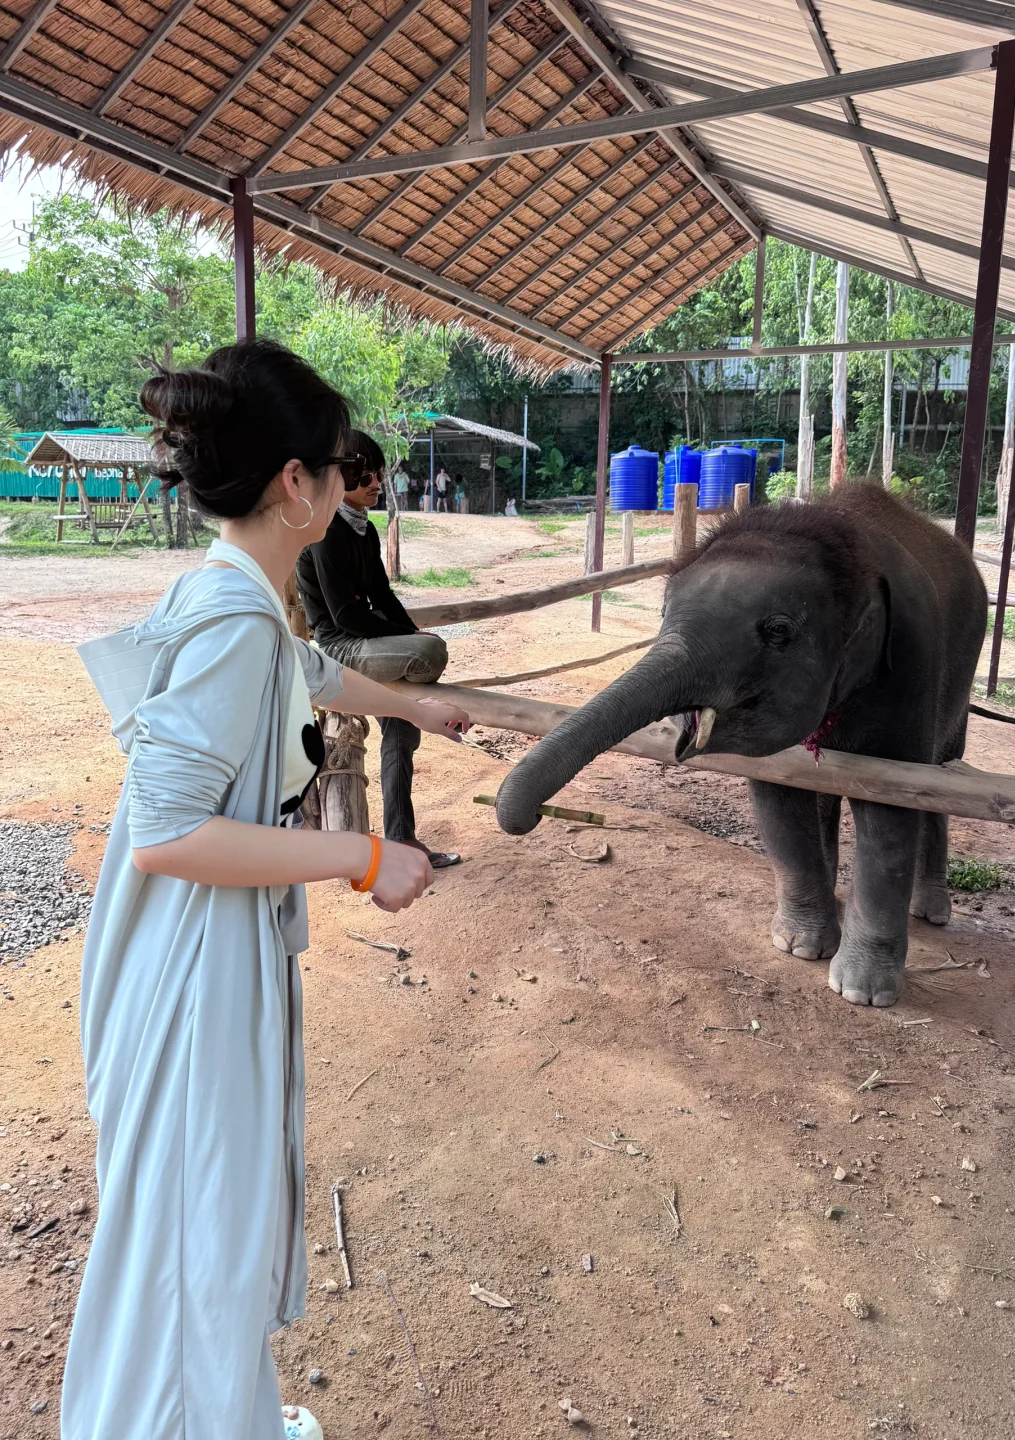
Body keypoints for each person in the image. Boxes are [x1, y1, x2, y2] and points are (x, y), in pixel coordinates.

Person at [63, 340, 470, 1440]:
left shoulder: (234, 596)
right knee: (189, 1242)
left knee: (214, 1226)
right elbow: (167, 834)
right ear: (298, 483)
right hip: (191, 971)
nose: (347, 486)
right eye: (337, 467)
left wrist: (414, 706)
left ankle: (229, 1418)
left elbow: (309, 671)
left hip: (201, 950)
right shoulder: (236, 623)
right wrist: (363, 857)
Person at [296, 431, 462, 868]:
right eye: (365, 475)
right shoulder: (326, 531)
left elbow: (382, 596)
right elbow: (346, 617)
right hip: (340, 649)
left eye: (378, 474)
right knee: (430, 656)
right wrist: (414, 641)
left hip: (367, 644)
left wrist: (410, 631)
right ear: (340, 477)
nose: (375, 483)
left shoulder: (364, 529)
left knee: (403, 727)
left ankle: (401, 840)